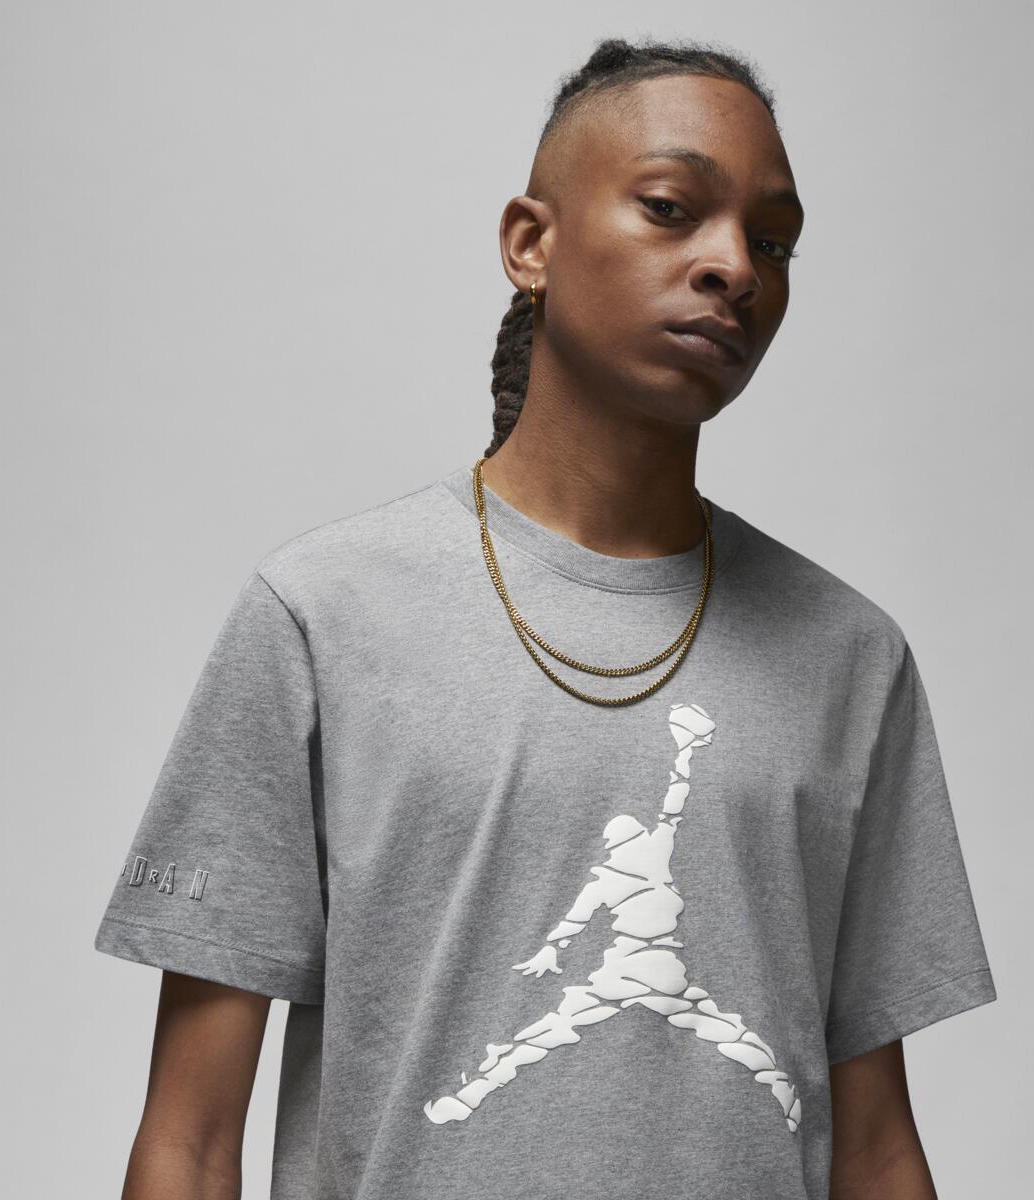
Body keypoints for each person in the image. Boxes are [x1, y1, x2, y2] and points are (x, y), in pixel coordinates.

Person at [93, 35, 997, 1199]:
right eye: (672, 209)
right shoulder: (323, 616)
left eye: (772, 241)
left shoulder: (849, 660)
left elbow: (876, 1149)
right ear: (532, 243)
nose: (735, 266)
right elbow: (187, 1142)